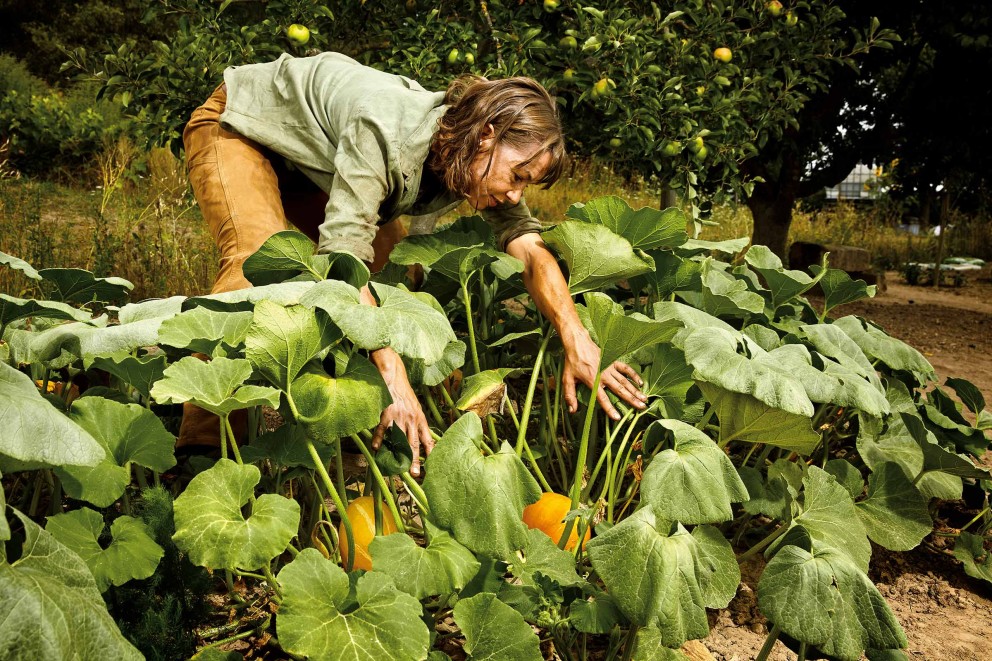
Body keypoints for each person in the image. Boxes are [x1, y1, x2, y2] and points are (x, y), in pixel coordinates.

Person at [180, 51, 647, 476]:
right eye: (518, 176)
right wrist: (393, 376)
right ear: (487, 135)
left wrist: (578, 339)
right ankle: (204, 448)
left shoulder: (470, 156)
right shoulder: (385, 133)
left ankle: (355, 425)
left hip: (317, 160)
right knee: (256, 267)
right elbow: (343, 257)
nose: (515, 194)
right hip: (242, 124)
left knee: (389, 285)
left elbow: (529, 249)